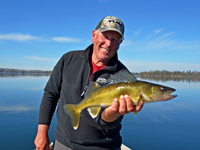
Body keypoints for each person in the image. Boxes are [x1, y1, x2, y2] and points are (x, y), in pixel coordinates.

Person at [34, 16, 144, 150]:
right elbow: (50, 94)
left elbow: (107, 122)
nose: (108, 44)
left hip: (103, 147)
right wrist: (42, 132)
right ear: (94, 35)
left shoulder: (123, 77)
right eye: (105, 36)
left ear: (120, 43)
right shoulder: (68, 59)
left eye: (115, 40)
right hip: (64, 143)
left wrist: (112, 114)